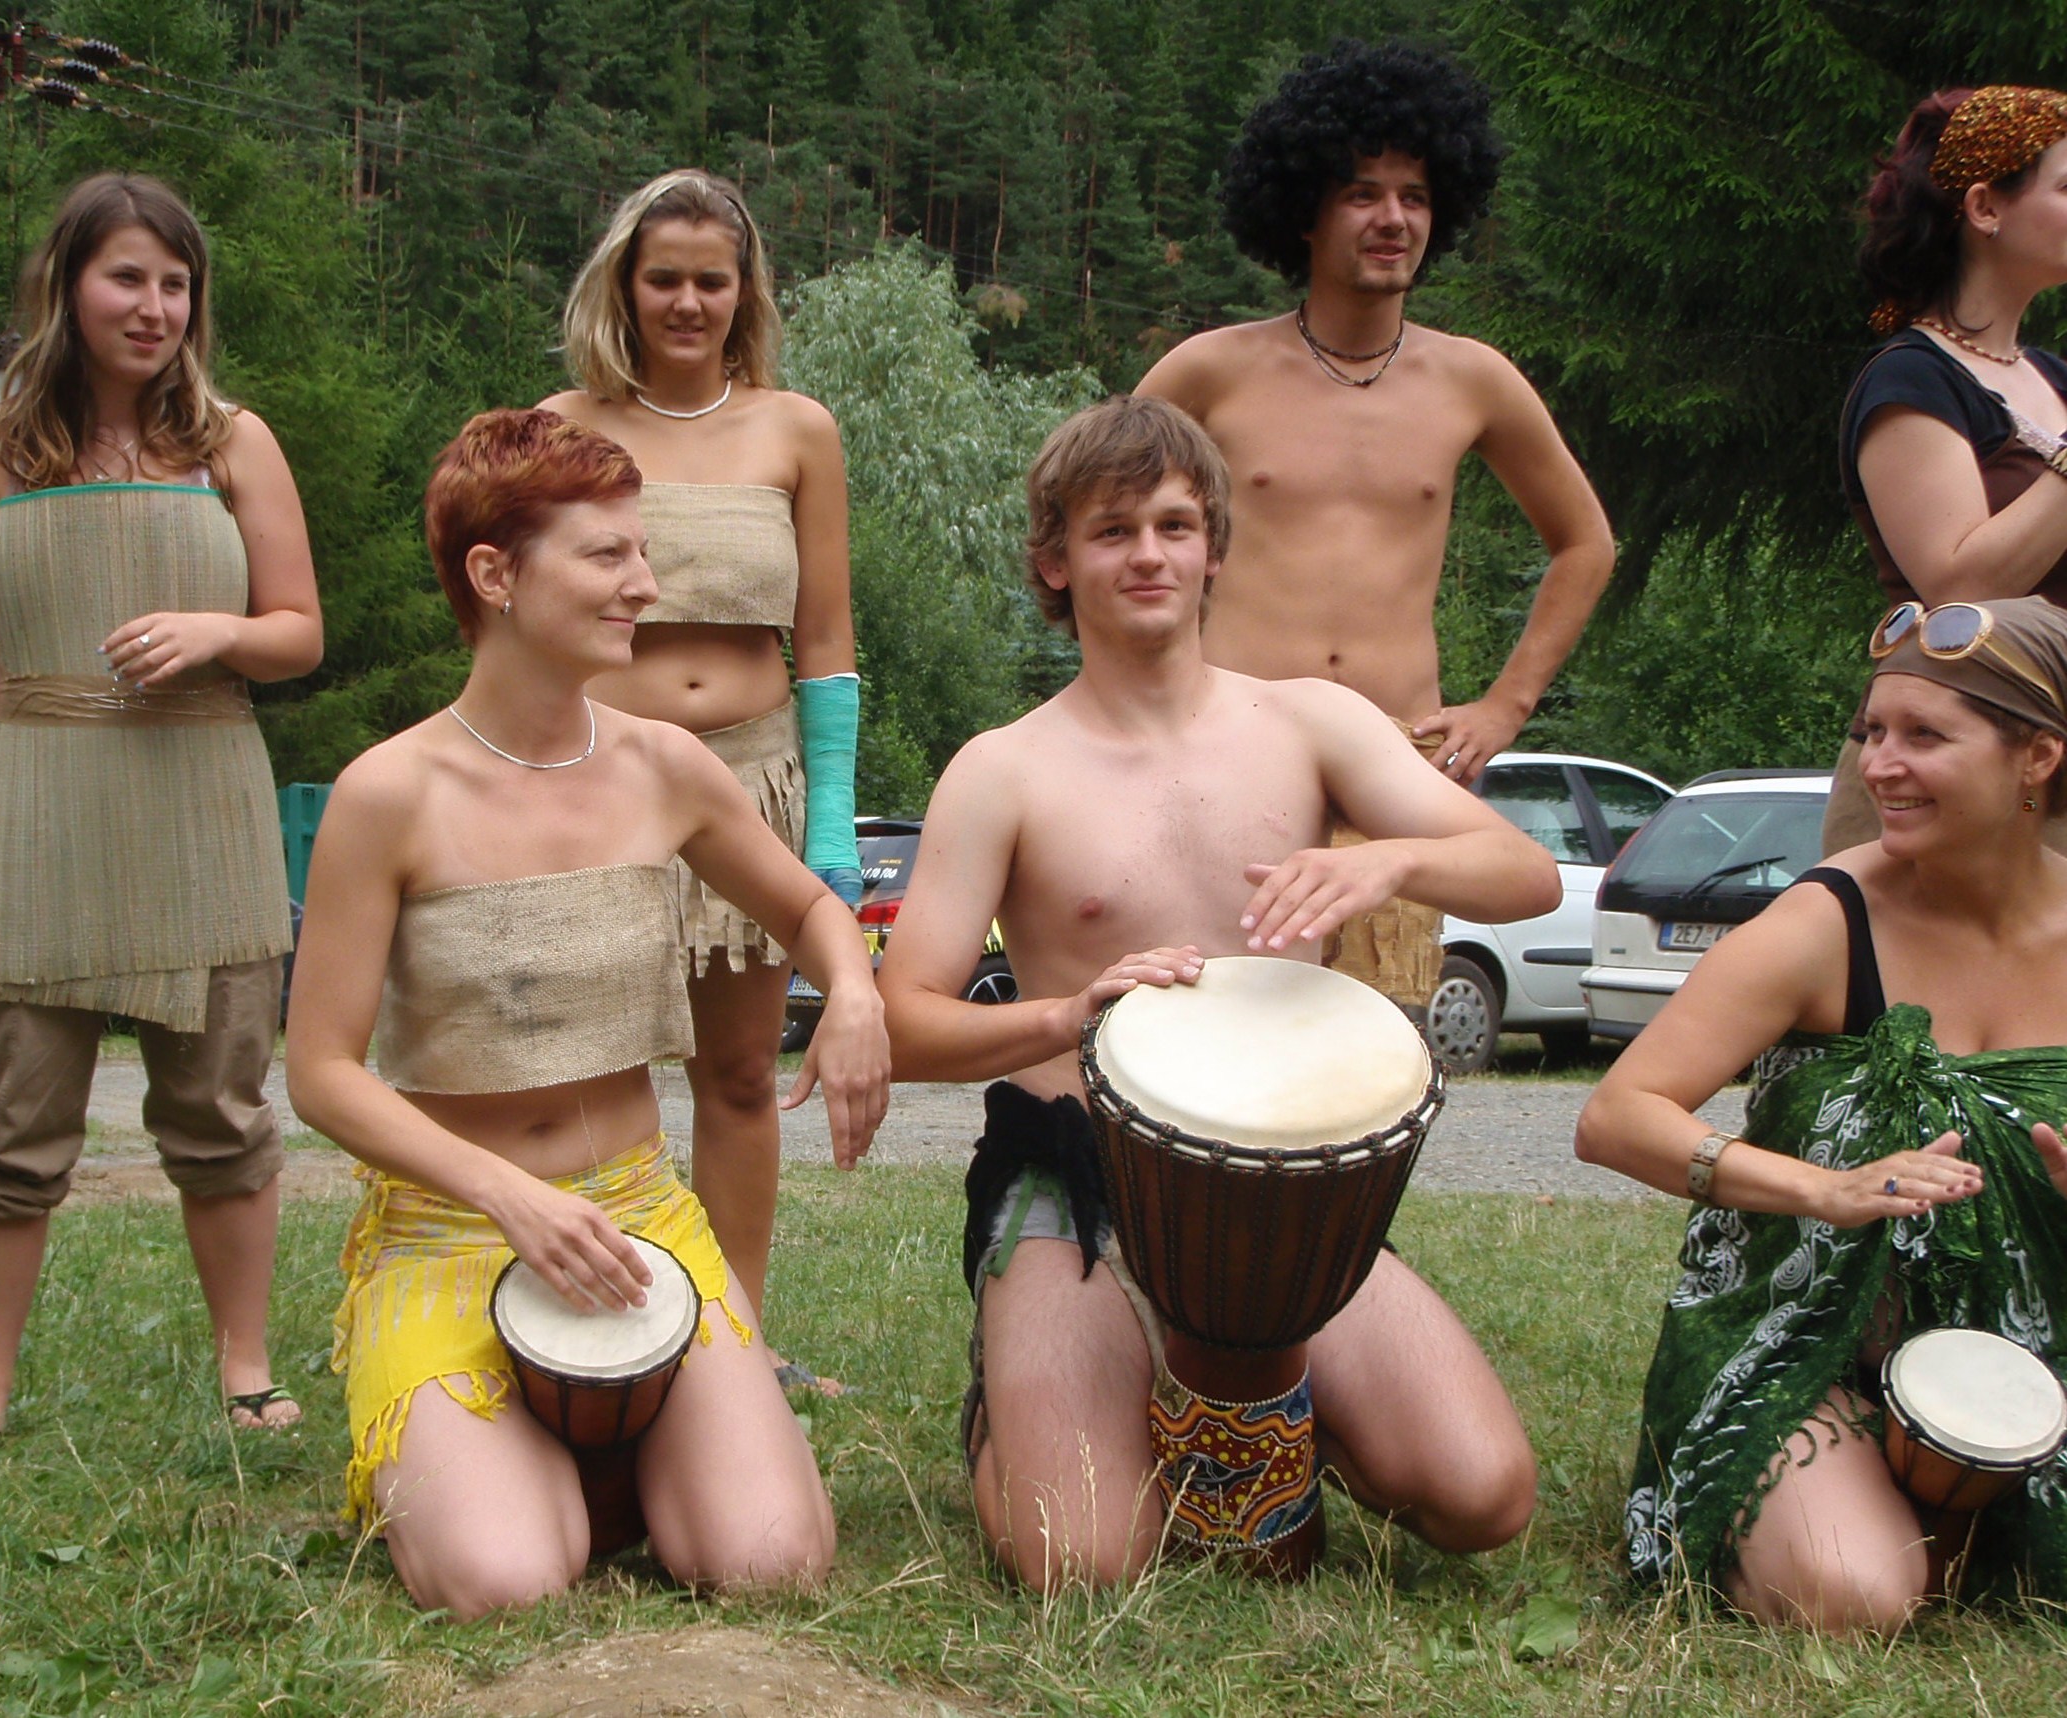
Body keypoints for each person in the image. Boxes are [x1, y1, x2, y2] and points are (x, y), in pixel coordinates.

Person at [875, 395, 1560, 1591]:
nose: (1149, 553)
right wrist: (1064, 1016)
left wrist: (1389, 860)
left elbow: (1528, 874)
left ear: (1215, 549)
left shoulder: (1312, 722)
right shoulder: (1003, 768)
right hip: (1074, 1173)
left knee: (1483, 1492)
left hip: (1283, 1191)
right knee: (1085, 1562)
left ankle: (1235, 1411)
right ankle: (1015, 1416)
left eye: (1176, 525)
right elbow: (904, 1020)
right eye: (1112, 530)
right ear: (1056, 560)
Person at [285, 407, 885, 1618]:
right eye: (607, 555)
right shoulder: (387, 793)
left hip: (637, 1222)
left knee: (772, 1557)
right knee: (506, 1580)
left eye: (642, 551)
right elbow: (321, 1072)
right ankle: (520, 1456)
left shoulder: (665, 763)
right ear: (494, 575)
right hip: (452, 1231)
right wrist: (507, 1193)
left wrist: (857, 988)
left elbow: (810, 904)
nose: (646, 586)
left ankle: (602, 1447)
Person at [0, 173, 322, 1439]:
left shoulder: (236, 442)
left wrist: (222, 630)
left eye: (176, 283)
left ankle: (247, 1369)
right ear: (66, 285)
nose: (154, 306)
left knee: (221, 1107)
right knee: (12, 1115)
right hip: (34, 802)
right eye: (127, 277)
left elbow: (299, 630)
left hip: (201, 801)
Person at [1578, 596, 2067, 1633]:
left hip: (2038, 1352)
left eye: (1924, 736)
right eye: (1871, 732)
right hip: (1812, 1352)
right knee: (1853, 1592)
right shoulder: (1826, 920)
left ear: (2037, 757)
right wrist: (1824, 1188)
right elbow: (1619, 1115)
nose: (1880, 765)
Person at [1137, 39, 1613, 1010]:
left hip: (1397, 762)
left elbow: (1585, 543)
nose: (1394, 218)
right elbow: (1092, 528)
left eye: (1415, 196)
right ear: (1304, 209)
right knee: (1213, 1024)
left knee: (1374, 1047)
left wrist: (1505, 707)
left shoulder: (1473, 379)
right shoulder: (1210, 371)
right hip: (1231, 744)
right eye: (1362, 193)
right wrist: (1136, 706)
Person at [539, 171, 861, 1385]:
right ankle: (589, 1334)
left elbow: (824, 641)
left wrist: (832, 826)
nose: (686, 300)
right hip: (599, 782)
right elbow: (523, 617)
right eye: (663, 277)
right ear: (625, 285)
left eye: (709, 280)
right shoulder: (562, 423)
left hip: (752, 786)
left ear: (745, 292)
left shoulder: (798, 429)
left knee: (736, 1075)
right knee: (589, 1071)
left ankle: (735, 1341)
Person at [1828, 86, 2067, 853]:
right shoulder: (1911, 378)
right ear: (1985, 208)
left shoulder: (2054, 378)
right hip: (1945, 781)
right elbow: (1962, 590)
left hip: (2046, 757)